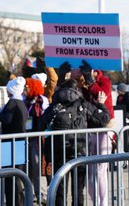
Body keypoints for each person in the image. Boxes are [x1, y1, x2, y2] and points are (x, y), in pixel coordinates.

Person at [38, 78, 110, 206]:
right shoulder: (82, 104)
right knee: (78, 191)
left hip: (58, 152)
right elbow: (103, 120)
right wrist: (101, 104)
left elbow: (39, 124)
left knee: (60, 191)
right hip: (79, 152)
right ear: (76, 89)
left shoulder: (54, 105)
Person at [72, 60, 115, 206]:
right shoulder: (83, 85)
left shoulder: (104, 80)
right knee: (89, 172)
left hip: (104, 128)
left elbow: (101, 95)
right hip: (89, 129)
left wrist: (90, 81)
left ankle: (103, 204)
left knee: (100, 171)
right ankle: (95, 201)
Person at [0, 76, 27, 206]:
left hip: (10, 143)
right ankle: (19, 202)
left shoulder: (12, 102)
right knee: (17, 176)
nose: (7, 91)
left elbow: (6, 119)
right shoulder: (20, 102)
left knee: (10, 177)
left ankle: (12, 203)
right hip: (19, 143)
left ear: (11, 90)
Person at [23, 77, 49, 203]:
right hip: (25, 138)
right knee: (28, 168)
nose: (24, 88)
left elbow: (46, 116)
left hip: (38, 138)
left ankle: (42, 194)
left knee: (38, 166)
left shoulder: (41, 100)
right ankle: (31, 193)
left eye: (26, 86)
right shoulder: (23, 100)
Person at [116, 83, 129, 152]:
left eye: (118, 89)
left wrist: (123, 115)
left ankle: (128, 153)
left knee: (127, 140)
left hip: (128, 122)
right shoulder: (119, 98)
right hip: (121, 121)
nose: (117, 91)